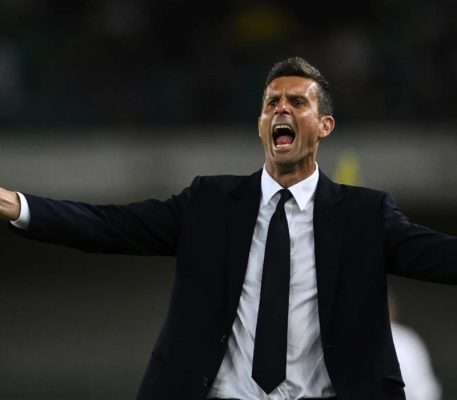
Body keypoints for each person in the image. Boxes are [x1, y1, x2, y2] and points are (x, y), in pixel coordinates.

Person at [0, 57, 456, 400]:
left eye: (297, 102)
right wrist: (16, 204)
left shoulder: (363, 215)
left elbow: (440, 257)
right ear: (261, 124)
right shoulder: (210, 203)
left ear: (324, 125)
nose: (281, 109)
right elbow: (111, 227)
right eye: (271, 103)